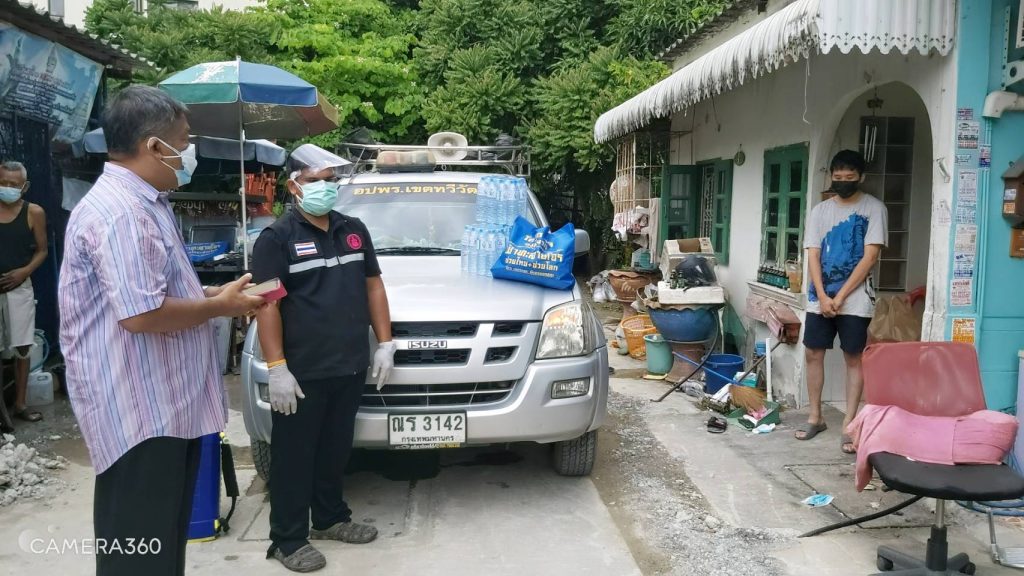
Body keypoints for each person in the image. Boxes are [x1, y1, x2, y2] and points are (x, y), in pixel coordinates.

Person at [58, 86, 265, 576]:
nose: (189, 153)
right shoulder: (123, 213)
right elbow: (141, 314)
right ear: (154, 146)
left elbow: (150, 290)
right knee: (140, 553)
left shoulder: (146, 202)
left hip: (163, 407)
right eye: (185, 141)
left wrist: (213, 295)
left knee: (162, 546)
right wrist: (219, 308)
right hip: (140, 413)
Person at [252, 144, 396, 573]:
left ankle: (330, 518)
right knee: (294, 457)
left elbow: (373, 285)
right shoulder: (276, 239)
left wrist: (385, 343)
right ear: (294, 186)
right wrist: (277, 368)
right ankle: (287, 538)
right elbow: (267, 305)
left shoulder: (353, 229)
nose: (325, 188)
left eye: (331, 181)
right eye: (315, 181)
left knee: (334, 451)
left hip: (349, 364)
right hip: (302, 372)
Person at [795, 149, 888, 454]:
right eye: (838, 177)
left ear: (861, 177)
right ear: (831, 177)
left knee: (854, 358)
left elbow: (870, 256)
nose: (843, 181)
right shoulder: (820, 211)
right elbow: (813, 253)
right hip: (819, 299)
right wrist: (823, 296)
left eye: (850, 177)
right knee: (813, 353)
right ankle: (815, 416)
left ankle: (850, 423)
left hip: (856, 300)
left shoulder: (874, 209)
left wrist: (841, 295)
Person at [0, 160, 47, 426]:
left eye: (13, 184)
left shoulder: (34, 212)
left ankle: (19, 404)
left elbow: (42, 250)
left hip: (19, 287)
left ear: (24, 187)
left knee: (22, 346)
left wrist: (24, 271)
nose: (7, 187)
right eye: (3, 182)